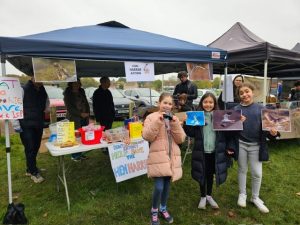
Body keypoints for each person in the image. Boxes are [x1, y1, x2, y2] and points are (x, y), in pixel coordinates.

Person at [227, 83, 279, 213]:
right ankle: (242, 194)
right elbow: (229, 130)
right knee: (242, 169)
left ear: (253, 92)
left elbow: (269, 130)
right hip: (241, 144)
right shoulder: (236, 110)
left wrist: (273, 132)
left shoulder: (262, 109)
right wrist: (237, 122)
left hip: (256, 146)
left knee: (257, 173)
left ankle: (255, 197)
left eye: (247, 91)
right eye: (241, 93)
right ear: (239, 96)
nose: (245, 95)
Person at [142, 93, 186, 225]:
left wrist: (175, 124)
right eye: (164, 102)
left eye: (170, 104)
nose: (167, 106)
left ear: (172, 106)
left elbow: (180, 139)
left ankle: (163, 207)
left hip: (172, 156)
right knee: (159, 186)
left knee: (167, 185)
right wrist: (158, 121)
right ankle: (154, 210)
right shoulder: (151, 117)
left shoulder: (174, 118)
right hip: (158, 156)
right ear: (158, 103)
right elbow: (147, 136)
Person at [183, 92, 232, 210]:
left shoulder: (220, 116)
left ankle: (209, 195)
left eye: (211, 102)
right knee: (202, 174)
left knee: (210, 174)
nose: (208, 104)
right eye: (205, 102)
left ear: (214, 104)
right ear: (201, 103)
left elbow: (228, 133)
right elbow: (191, 133)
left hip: (215, 152)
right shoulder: (198, 116)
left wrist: (237, 121)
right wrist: (186, 123)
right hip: (201, 151)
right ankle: (202, 196)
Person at [18, 77, 48, 183]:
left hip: (38, 123)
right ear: (32, 77)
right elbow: (16, 106)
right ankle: (33, 172)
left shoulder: (42, 90)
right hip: (26, 125)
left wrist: (46, 109)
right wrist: (16, 124)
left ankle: (30, 168)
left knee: (36, 147)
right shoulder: (23, 89)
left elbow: (46, 102)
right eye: (38, 76)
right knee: (30, 148)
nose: (41, 80)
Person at [63, 79, 90, 161]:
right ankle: (74, 155)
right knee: (75, 136)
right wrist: (80, 114)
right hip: (74, 118)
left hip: (84, 117)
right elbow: (69, 107)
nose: (77, 84)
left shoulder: (81, 91)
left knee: (82, 136)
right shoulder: (67, 93)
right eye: (75, 83)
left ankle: (80, 154)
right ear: (71, 83)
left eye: (78, 83)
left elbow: (86, 103)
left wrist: (88, 112)